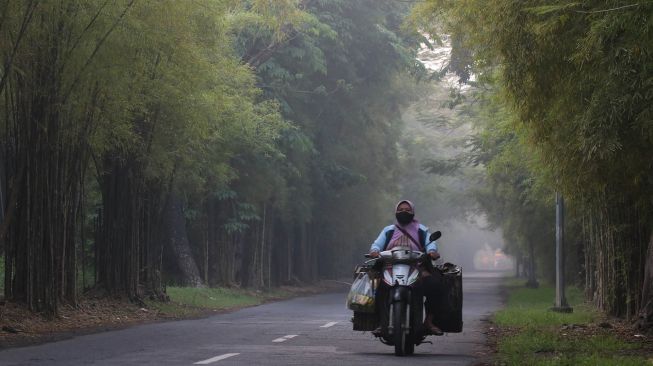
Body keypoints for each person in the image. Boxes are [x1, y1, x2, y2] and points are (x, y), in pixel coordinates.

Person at [369, 200, 444, 336]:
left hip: (417, 268)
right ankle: (382, 323)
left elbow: (430, 244)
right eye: (401, 209)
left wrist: (432, 251)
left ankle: (428, 321)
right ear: (396, 212)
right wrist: (374, 250)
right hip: (390, 268)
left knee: (435, 285)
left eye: (407, 210)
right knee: (378, 288)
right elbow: (377, 244)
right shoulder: (388, 230)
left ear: (413, 212)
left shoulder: (422, 229)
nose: (404, 212)